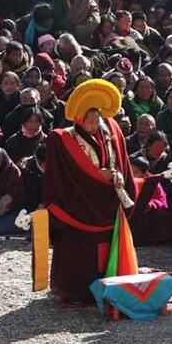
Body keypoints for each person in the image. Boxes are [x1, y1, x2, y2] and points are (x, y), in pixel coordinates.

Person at [41, 79, 136, 304]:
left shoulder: (108, 131)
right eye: (90, 121)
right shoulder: (66, 139)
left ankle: (109, 283)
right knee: (80, 251)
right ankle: (77, 291)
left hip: (106, 200)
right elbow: (67, 177)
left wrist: (116, 175)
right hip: (80, 202)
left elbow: (119, 160)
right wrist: (95, 176)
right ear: (80, 119)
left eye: (97, 120)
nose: (95, 125)